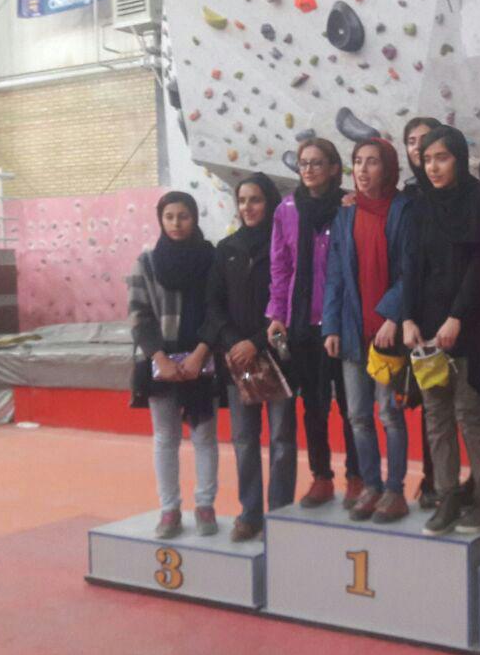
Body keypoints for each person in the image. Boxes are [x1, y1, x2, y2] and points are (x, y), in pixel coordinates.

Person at [402, 126, 480, 536]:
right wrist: (408, 318)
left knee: (469, 414)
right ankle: (446, 496)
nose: (433, 167)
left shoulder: (478, 200)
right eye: (427, 159)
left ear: (459, 159)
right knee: (436, 417)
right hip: (427, 330)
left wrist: (457, 316)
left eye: (441, 158)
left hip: (468, 327)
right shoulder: (421, 205)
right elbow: (411, 266)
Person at [266, 138, 363, 507]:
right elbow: (281, 267)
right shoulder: (287, 209)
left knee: (352, 405)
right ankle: (322, 477)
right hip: (303, 324)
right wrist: (278, 314)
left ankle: (358, 476)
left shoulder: (349, 206)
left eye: (317, 163)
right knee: (314, 405)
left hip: (343, 321)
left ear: (334, 168)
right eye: (303, 163)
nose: (308, 169)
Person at [322, 138, 412, 522]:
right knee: (358, 415)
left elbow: (411, 270)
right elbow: (335, 277)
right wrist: (331, 326)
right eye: (357, 161)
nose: (362, 169)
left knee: (389, 414)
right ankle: (371, 485)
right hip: (352, 330)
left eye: (371, 162)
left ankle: (395, 491)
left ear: (387, 168)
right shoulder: (346, 214)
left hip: (387, 333)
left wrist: (392, 316)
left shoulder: (403, 210)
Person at [203, 174, 296, 541]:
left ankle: (281, 513)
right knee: (244, 439)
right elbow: (213, 305)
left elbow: (290, 300)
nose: (248, 207)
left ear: (270, 202)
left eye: (255, 199)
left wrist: (257, 343)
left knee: (282, 439)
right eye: (242, 200)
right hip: (237, 361)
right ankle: (250, 513)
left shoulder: (283, 244)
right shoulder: (226, 249)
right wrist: (234, 344)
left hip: (276, 356)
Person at [128, 191, 219, 539]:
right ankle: (169, 510)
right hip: (160, 364)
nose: (176, 223)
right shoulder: (147, 263)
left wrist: (200, 353)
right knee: (166, 437)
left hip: (202, 361)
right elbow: (139, 315)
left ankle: (205, 505)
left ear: (194, 218)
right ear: (160, 220)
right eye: (169, 216)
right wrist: (159, 358)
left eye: (183, 216)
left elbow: (218, 310)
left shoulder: (211, 259)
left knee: (204, 435)